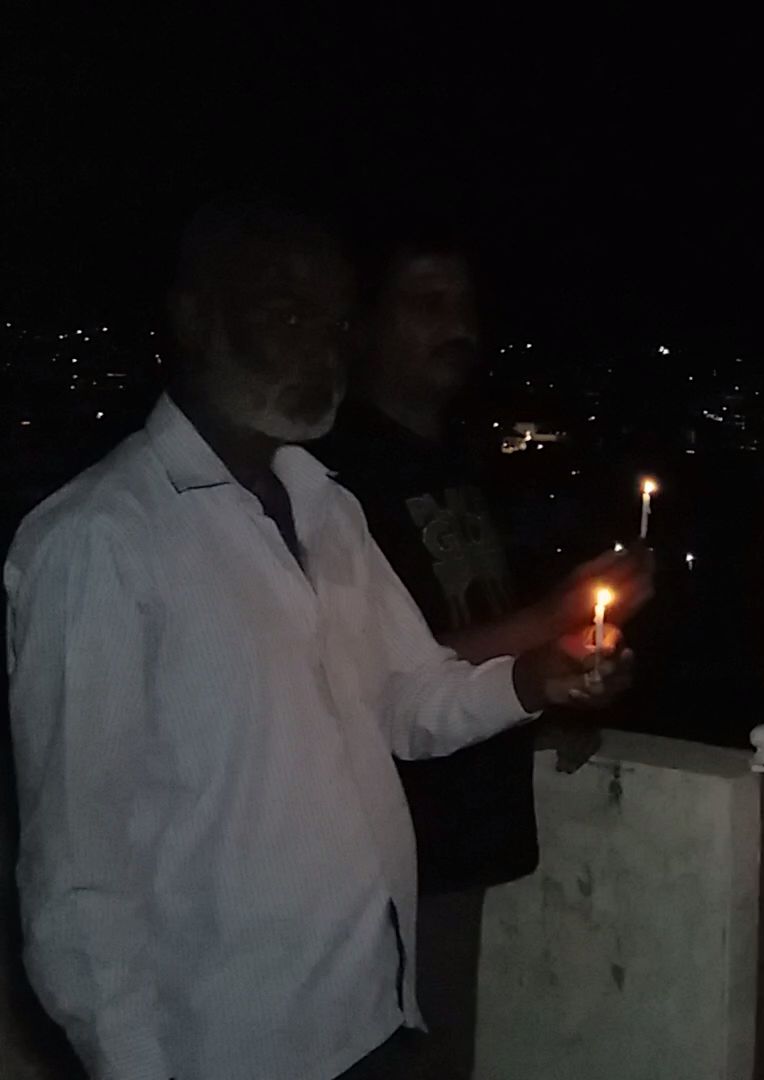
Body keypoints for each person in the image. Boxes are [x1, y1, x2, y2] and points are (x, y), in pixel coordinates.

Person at [3, 197, 634, 1080]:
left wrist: (536, 678)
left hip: (374, 1013)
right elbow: (77, 876)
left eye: (334, 320)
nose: (323, 347)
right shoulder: (99, 541)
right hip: (225, 1044)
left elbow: (407, 703)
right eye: (287, 312)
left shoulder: (326, 506)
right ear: (194, 316)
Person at [312, 225, 651, 1079]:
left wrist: (554, 687)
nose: (457, 323)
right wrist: (553, 617)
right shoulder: (334, 475)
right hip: (391, 848)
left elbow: (471, 640)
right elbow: (383, 668)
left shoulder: (461, 464)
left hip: (465, 833)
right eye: (428, 303)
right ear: (363, 324)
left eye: (464, 304)